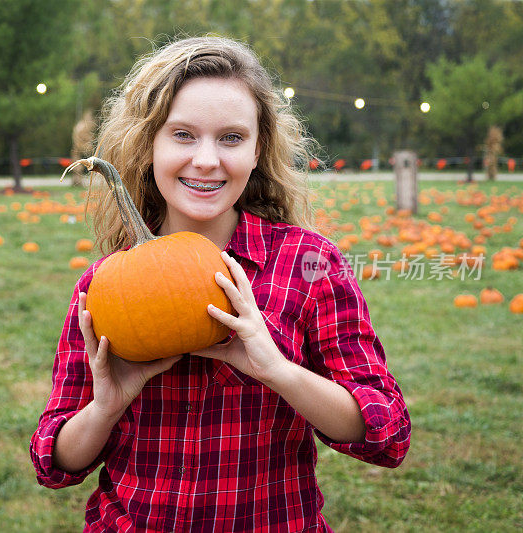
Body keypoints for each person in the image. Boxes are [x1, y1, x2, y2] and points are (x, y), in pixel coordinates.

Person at [31, 36, 411, 532]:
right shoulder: (104, 286)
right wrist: (105, 408)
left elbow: (386, 432)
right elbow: (54, 463)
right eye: (183, 134)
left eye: (231, 138)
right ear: (150, 146)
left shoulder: (307, 263)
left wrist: (277, 370)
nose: (207, 160)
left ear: (258, 150)